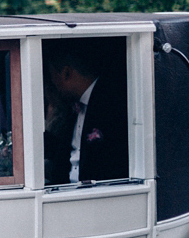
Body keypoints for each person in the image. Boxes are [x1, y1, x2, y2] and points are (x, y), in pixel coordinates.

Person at [44, 39, 128, 185]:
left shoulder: (112, 103)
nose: (53, 84)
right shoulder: (72, 107)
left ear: (66, 73)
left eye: (53, 77)